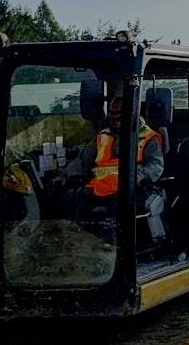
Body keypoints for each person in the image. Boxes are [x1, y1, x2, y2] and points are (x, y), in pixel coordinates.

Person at [66, 93, 166, 238]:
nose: (115, 118)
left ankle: (114, 245)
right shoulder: (103, 135)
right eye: (112, 114)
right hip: (98, 187)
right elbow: (82, 162)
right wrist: (64, 177)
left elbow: (156, 166)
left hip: (130, 189)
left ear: (132, 113)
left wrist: (137, 176)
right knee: (68, 199)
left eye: (120, 114)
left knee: (118, 213)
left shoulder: (148, 137)